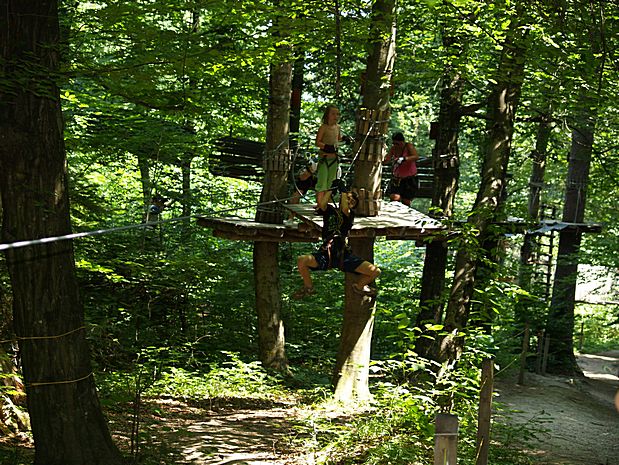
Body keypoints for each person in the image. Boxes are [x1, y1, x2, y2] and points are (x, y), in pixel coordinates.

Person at [293, 183, 381, 300]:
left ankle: (359, 287)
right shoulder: (330, 211)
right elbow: (322, 205)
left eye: (352, 201)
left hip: (343, 255)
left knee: (375, 272)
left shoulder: (349, 215)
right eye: (347, 199)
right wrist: (331, 189)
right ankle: (308, 287)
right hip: (327, 253)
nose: (349, 202)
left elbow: (344, 209)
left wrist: (344, 191)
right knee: (302, 260)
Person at [315, 105, 345, 208]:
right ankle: (319, 205)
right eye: (333, 114)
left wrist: (344, 139)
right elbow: (317, 142)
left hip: (334, 159)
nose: (335, 116)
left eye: (337, 114)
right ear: (327, 115)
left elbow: (338, 139)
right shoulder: (323, 127)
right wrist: (326, 147)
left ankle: (324, 205)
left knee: (330, 183)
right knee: (322, 182)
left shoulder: (338, 127)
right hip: (324, 158)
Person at [383, 132, 420, 206]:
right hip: (397, 178)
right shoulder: (393, 149)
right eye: (394, 144)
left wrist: (404, 159)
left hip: (409, 179)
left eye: (398, 144)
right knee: (394, 198)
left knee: (406, 201)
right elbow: (387, 159)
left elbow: (415, 156)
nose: (396, 145)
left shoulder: (408, 146)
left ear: (402, 142)